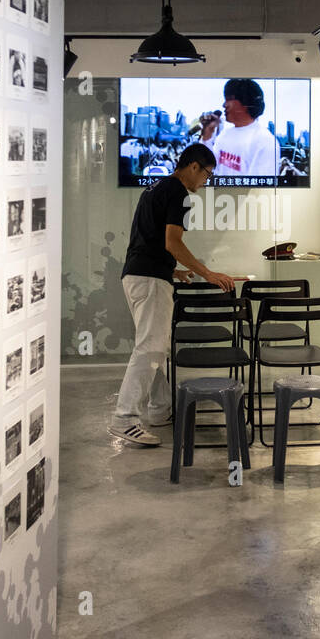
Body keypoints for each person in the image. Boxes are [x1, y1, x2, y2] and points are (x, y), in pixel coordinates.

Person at [109, 142, 235, 447]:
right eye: (206, 174)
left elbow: (148, 238)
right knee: (151, 348)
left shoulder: (155, 187)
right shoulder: (177, 191)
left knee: (154, 346)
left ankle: (159, 409)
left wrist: (173, 270)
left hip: (138, 273)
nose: (205, 182)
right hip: (149, 278)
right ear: (194, 166)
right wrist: (209, 273)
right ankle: (124, 418)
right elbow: (172, 242)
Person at [199, 78, 278, 178]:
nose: (224, 105)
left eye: (229, 99)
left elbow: (260, 189)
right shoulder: (225, 134)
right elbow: (209, 167)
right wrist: (207, 136)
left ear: (245, 103)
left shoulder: (265, 141)